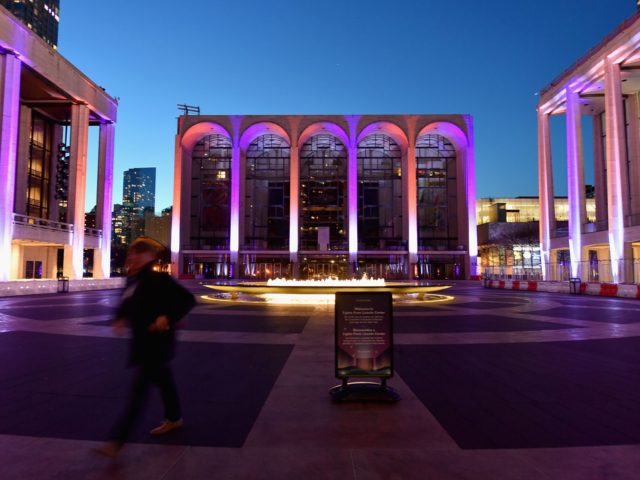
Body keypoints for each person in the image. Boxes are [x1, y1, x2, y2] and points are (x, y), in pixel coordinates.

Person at [96, 237, 195, 458]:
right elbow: (125, 303)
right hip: (141, 343)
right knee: (164, 380)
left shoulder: (159, 279)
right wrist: (119, 318)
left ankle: (116, 441)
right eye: (131, 254)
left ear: (149, 257)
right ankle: (175, 418)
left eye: (138, 254)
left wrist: (167, 317)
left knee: (138, 392)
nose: (132, 258)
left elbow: (188, 300)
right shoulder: (131, 280)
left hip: (157, 344)